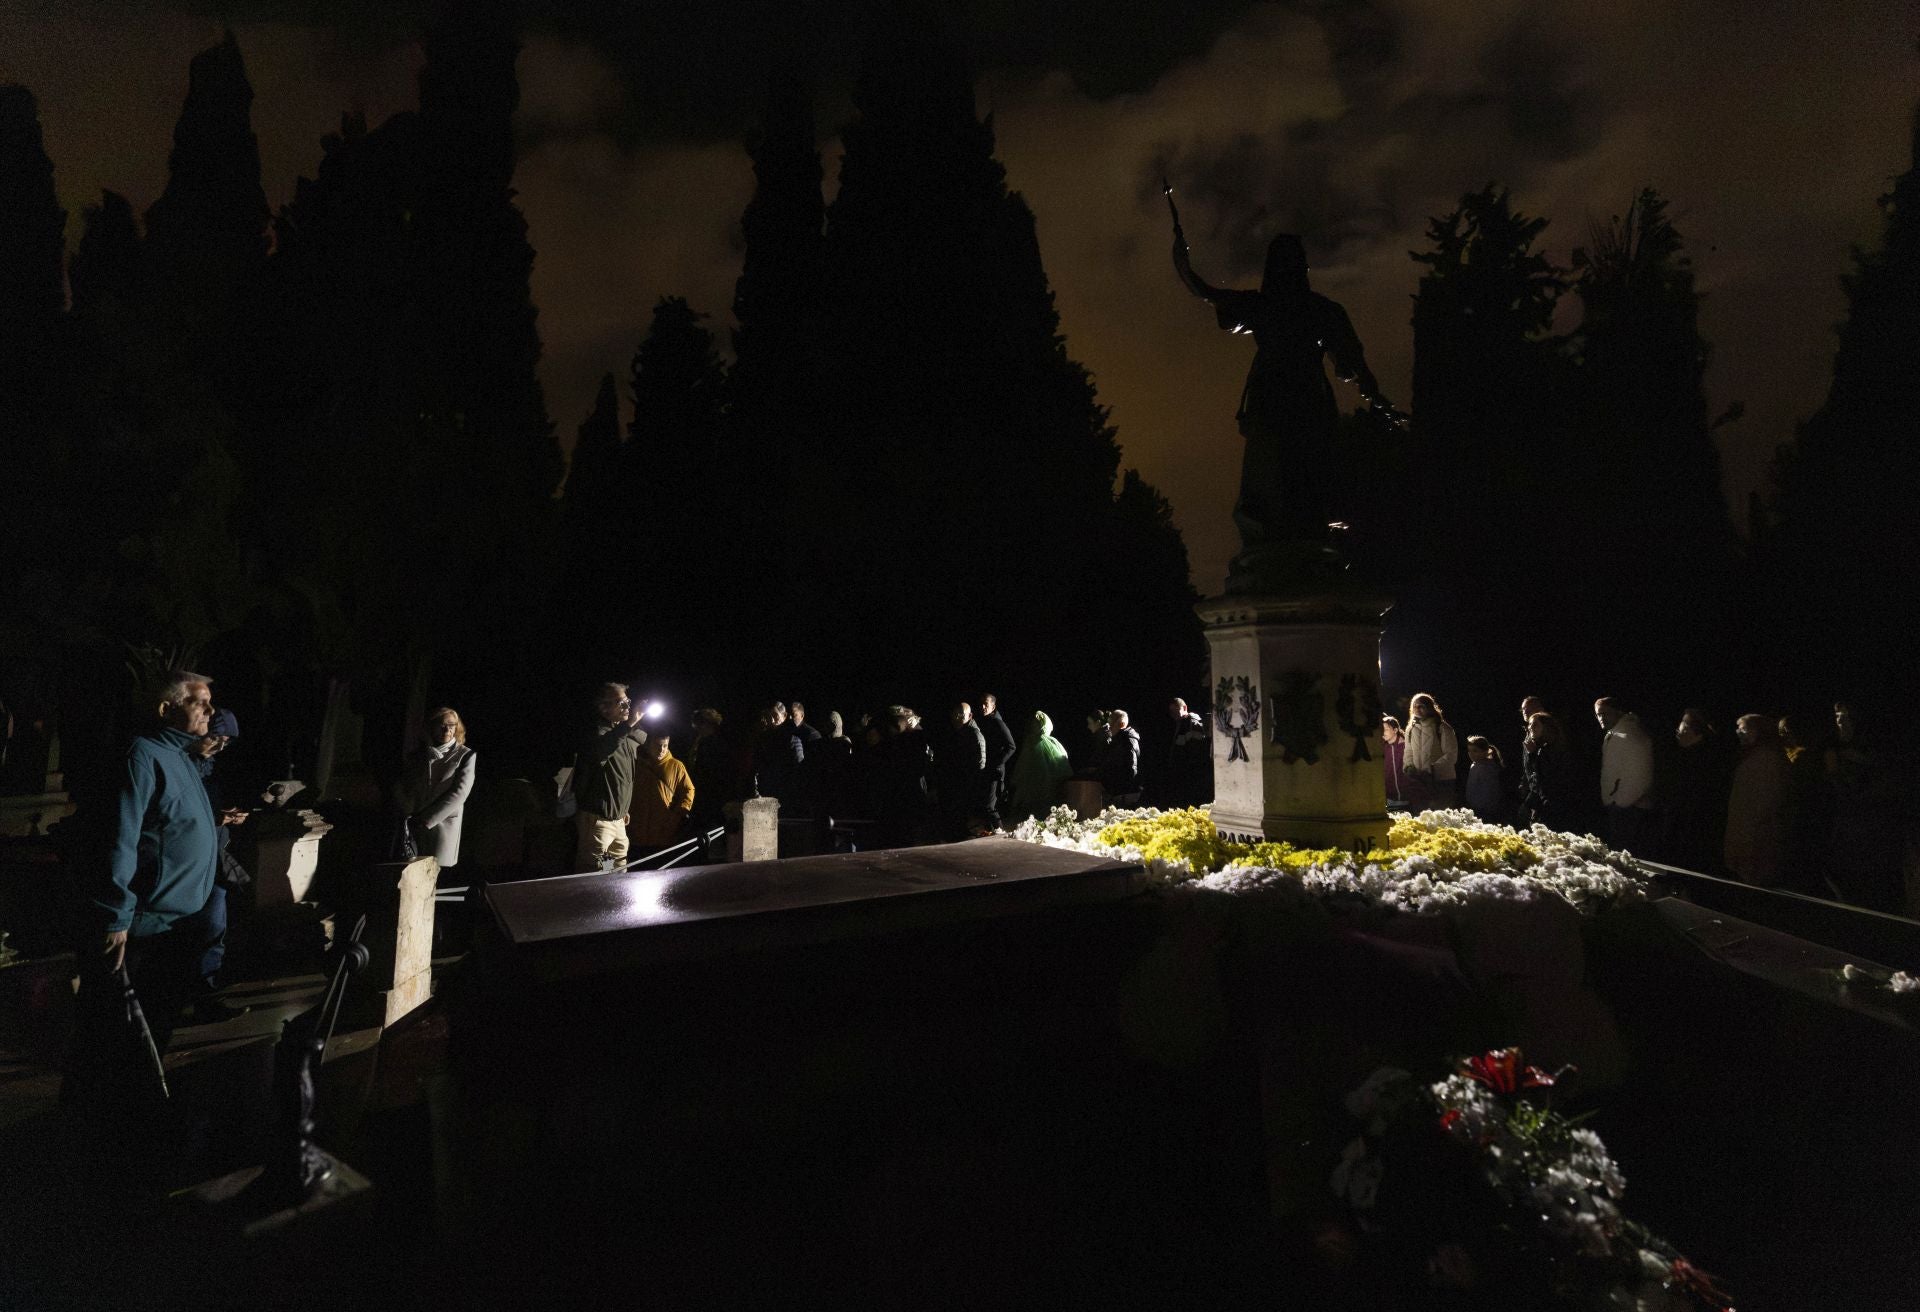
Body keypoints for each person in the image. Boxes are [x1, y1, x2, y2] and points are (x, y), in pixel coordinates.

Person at [1173, 225, 1400, 586]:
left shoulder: (1268, 306)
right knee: (1297, 469)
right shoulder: (1319, 310)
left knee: (1275, 472)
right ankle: (1304, 540)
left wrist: (1183, 266)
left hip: (1275, 398)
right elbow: (1355, 366)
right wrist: (1380, 402)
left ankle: (1283, 541)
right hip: (1301, 396)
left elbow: (1207, 292)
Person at [65, 671, 247, 1111]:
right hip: (143, 926)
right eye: (199, 702)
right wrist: (115, 916)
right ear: (166, 709)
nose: (210, 711)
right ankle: (96, 1121)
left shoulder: (181, 756)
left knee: (153, 1030)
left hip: (176, 926)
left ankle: (134, 1113)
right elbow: (120, 838)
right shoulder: (141, 756)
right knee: (115, 1035)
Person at [188, 706, 249, 1023]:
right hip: (188, 860)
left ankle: (206, 997)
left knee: (214, 928)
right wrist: (214, 818)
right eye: (216, 739)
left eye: (226, 743)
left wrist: (226, 817)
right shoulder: (182, 765)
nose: (219, 747)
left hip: (214, 856)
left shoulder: (212, 768)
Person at [569, 683, 650, 872]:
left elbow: (644, 739)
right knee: (593, 874)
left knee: (616, 872)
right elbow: (601, 752)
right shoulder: (596, 734)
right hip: (598, 823)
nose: (627, 706)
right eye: (621, 702)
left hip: (618, 821)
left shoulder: (623, 734)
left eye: (628, 701)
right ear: (604, 708)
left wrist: (623, 809)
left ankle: (612, 890)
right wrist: (630, 722)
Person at [400, 707, 476, 873]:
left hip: (442, 825)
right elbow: (408, 787)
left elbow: (459, 793)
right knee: (412, 876)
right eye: (442, 725)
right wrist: (409, 814)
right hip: (414, 826)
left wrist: (426, 820)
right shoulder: (417, 755)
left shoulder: (465, 755)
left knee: (435, 875)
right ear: (431, 727)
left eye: (452, 725)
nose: (447, 729)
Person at [1725, 714, 1791, 886]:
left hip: (1756, 836)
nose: (1738, 732)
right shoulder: (1752, 756)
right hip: (1746, 831)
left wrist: (1750, 832)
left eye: (1743, 729)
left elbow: (1766, 801)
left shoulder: (1767, 759)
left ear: (1757, 731)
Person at [1662, 709, 1729, 872]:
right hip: (1683, 816)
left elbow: (1693, 791)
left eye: (1683, 728)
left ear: (1694, 732)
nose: (1678, 732)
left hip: (1691, 820)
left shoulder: (1701, 758)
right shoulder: (1687, 753)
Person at [1594, 697, 1656, 852]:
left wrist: (1620, 800)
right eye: (1598, 714)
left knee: (1625, 853)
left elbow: (1640, 773)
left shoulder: (1628, 735)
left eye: (1605, 713)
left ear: (1618, 712)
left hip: (1628, 807)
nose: (1601, 718)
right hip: (1624, 804)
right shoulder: (1620, 733)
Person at [628, 727, 695, 855]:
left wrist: (679, 813)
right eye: (658, 745)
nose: (662, 750)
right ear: (649, 745)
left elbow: (688, 790)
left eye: (665, 746)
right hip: (636, 830)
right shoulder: (637, 764)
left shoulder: (676, 766)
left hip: (663, 832)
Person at [935, 703, 988, 841]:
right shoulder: (956, 732)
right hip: (956, 782)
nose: (957, 717)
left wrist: (970, 782)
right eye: (955, 714)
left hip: (965, 784)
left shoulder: (974, 734)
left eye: (961, 714)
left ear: (970, 716)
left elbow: (980, 763)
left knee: (961, 818)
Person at [1006, 711, 1072, 823]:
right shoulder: (1044, 741)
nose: (1032, 725)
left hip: (1040, 784)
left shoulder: (1039, 742)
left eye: (1035, 723)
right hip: (1036, 783)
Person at [1519, 711, 1578, 831]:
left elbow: (1547, 777)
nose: (1530, 728)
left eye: (1535, 725)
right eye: (1529, 725)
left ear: (1546, 727)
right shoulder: (1541, 748)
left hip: (1554, 805)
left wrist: (1533, 755)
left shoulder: (1553, 749)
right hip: (1545, 803)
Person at [1402, 694, 1457, 811]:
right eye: (1414, 706)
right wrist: (1409, 767)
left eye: (1421, 706)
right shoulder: (1410, 729)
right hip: (1419, 781)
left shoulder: (1442, 728)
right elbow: (1408, 751)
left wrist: (1431, 768)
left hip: (1441, 781)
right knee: (1421, 815)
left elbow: (1451, 755)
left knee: (1440, 815)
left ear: (1429, 708)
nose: (1417, 709)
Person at [752, 700, 805, 806]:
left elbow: (799, 769)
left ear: (784, 716)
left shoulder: (791, 739)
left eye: (775, 716)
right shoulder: (765, 739)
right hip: (768, 792)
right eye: (770, 716)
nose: (772, 720)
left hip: (786, 794)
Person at [977, 693, 1016, 827]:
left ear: (993, 707)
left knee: (990, 806)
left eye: (986, 704)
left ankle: (999, 831)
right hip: (987, 768)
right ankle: (990, 831)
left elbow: (1011, 746)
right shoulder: (985, 721)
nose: (983, 707)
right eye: (981, 704)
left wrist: (997, 763)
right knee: (985, 805)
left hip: (995, 770)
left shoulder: (997, 722)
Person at [1162, 697, 1210, 807]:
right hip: (1182, 774)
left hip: (1189, 775)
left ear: (1184, 708)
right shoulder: (1180, 723)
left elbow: (1196, 752)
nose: (1173, 714)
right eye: (1171, 711)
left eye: (1175, 710)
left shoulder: (1192, 723)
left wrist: (1185, 770)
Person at [1100, 709, 1142, 807]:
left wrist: (1123, 790)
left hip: (1125, 793)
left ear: (1121, 724)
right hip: (1120, 791)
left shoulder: (1127, 740)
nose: (1109, 728)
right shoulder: (1118, 740)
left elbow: (1131, 767)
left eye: (1111, 725)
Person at [1464, 736, 1505, 823]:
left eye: (1475, 751)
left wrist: (1481, 807)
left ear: (1485, 752)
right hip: (1474, 807)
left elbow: (1489, 791)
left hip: (1484, 810)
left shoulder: (1488, 768)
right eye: (1469, 750)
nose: (1471, 753)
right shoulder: (1475, 765)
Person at [1380, 715, 1407, 806]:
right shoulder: (1381, 747)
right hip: (1389, 799)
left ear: (1395, 730)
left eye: (1386, 729)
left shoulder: (1406, 746)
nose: (1383, 732)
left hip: (1408, 797)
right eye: (1381, 729)